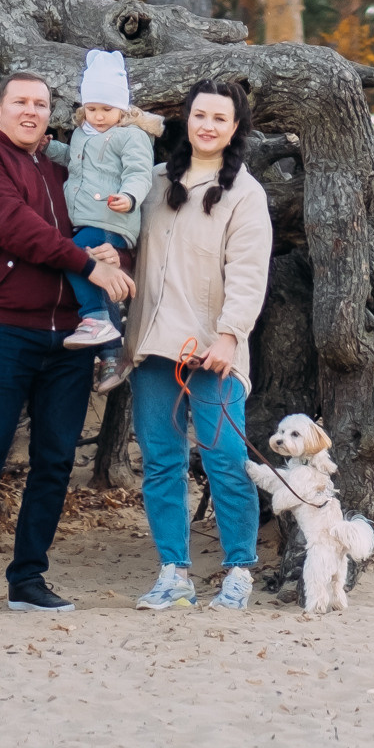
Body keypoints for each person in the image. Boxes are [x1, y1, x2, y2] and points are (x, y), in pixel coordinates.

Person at [0, 67, 134, 616]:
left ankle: (28, 579)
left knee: (54, 459)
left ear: (51, 115)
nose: (30, 111)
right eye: (20, 102)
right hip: (6, 328)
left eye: (41, 104)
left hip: (72, 336)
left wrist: (116, 255)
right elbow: (12, 224)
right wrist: (86, 265)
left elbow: (102, 228)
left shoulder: (67, 171)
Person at [128, 78, 273, 613]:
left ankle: (239, 569)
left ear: (235, 128)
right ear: (185, 120)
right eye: (199, 115)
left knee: (225, 458)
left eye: (219, 118)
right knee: (162, 462)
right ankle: (174, 573)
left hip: (214, 351)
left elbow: (249, 274)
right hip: (152, 346)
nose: (207, 126)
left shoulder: (245, 194)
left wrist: (230, 337)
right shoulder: (154, 181)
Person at [63, 47, 154, 377]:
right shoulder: (80, 134)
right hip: (87, 219)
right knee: (95, 273)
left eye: (107, 108)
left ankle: (96, 319)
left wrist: (130, 197)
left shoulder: (130, 136)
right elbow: (75, 164)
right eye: (92, 108)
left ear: (122, 107)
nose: (99, 116)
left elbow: (139, 172)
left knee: (75, 257)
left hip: (110, 218)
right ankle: (112, 356)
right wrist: (53, 149)